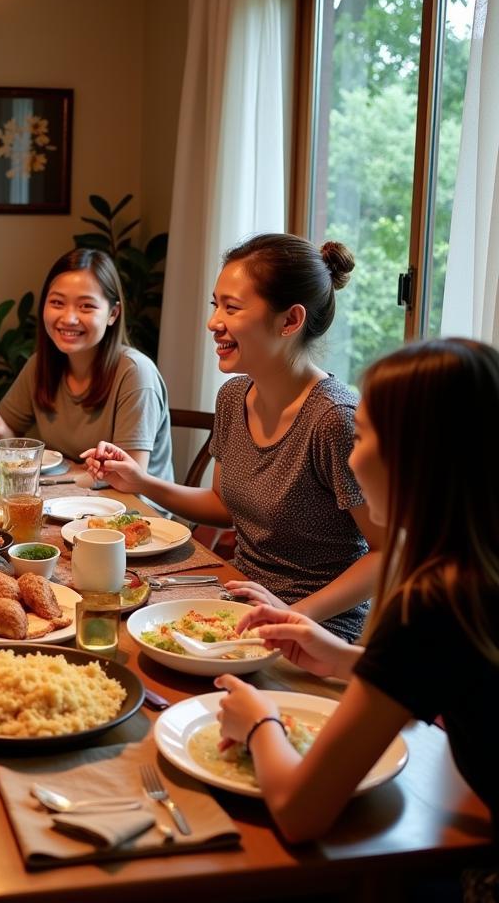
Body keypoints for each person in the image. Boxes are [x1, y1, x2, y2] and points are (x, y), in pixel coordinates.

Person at [214, 338, 499, 903]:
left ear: (416, 458)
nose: (352, 456)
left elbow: (300, 811)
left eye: (365, 436)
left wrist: (259, 721)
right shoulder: (477, 569)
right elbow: (458, 675)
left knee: (259, 896)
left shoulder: (434, 598)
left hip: (480, 884)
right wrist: (346, 658)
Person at [83, 234, 381, 642]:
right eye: (215, 304)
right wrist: (141, 482)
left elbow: (387, 554)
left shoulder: (334, 420)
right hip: (236, 600)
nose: (213, 322)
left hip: (316, 630)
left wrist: (294, 616)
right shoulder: (234, 396)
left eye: (232, 307)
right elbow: (223, 504)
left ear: (290, 321)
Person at [0, 248, 174, 481]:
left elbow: (128, 479)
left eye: (86, 306)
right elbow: (10, 432)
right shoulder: (41, 364)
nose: (68, 318)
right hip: (69, 499)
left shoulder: (136, 374)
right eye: (57, 302)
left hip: (133, 511)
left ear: (113, 314)